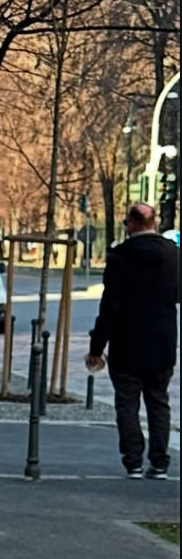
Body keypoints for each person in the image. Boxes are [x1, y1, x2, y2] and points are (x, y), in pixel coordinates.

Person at [86, 203, 179, 478]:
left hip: (127, 342)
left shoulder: (120, 256)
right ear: (154, 222)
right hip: (162, 342)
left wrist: (97, 347)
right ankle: (160, 463)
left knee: (127, 403)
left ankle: (133, 461)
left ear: (133, 223)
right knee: (158, 402)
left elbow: (110, 306)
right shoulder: (174, 254)